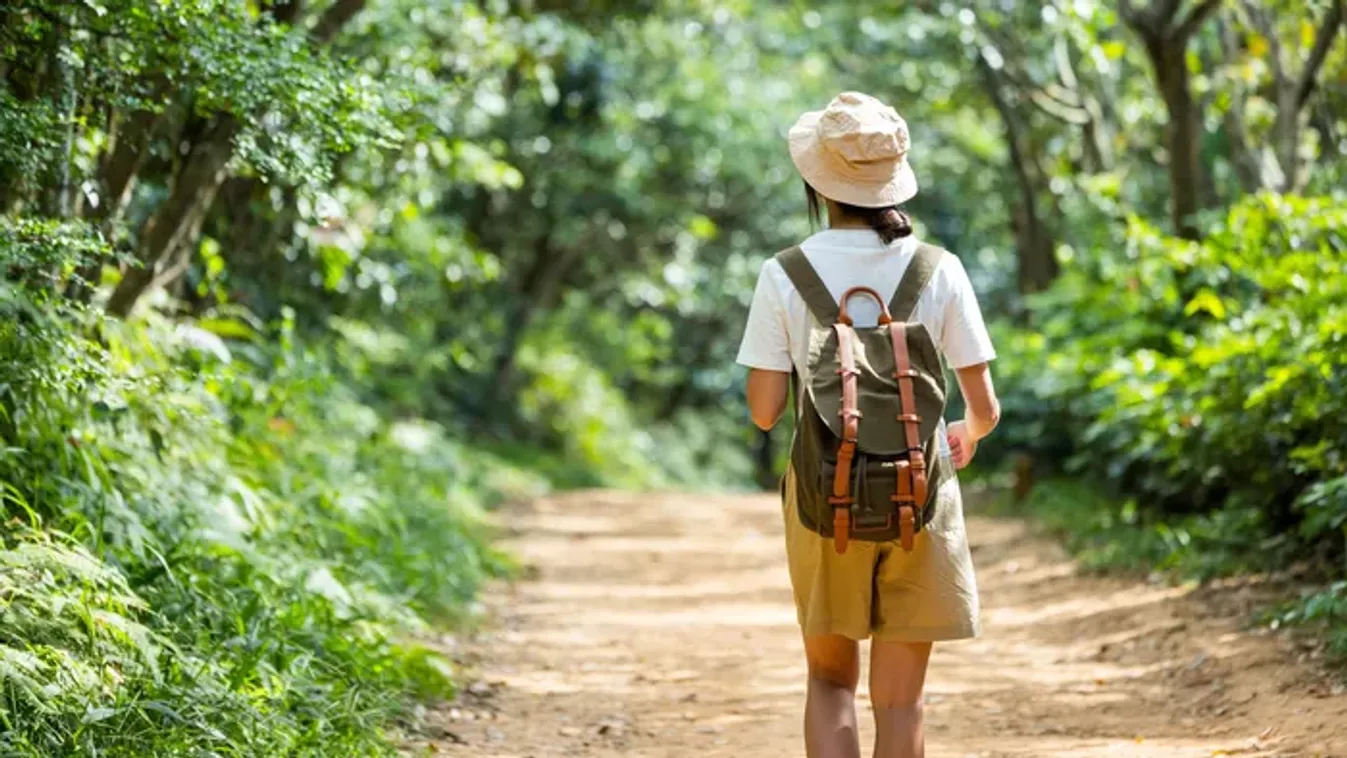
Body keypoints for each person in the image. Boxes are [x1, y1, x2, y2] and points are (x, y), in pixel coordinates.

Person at [735, 92, 1001, 758]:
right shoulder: (938, 269)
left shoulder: (783, 273)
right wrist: (965, 434)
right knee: (902, 702)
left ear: (816, 182)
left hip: (823, 499)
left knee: (830, 682)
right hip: (921, 495)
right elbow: (985, 409)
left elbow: (764, 411)